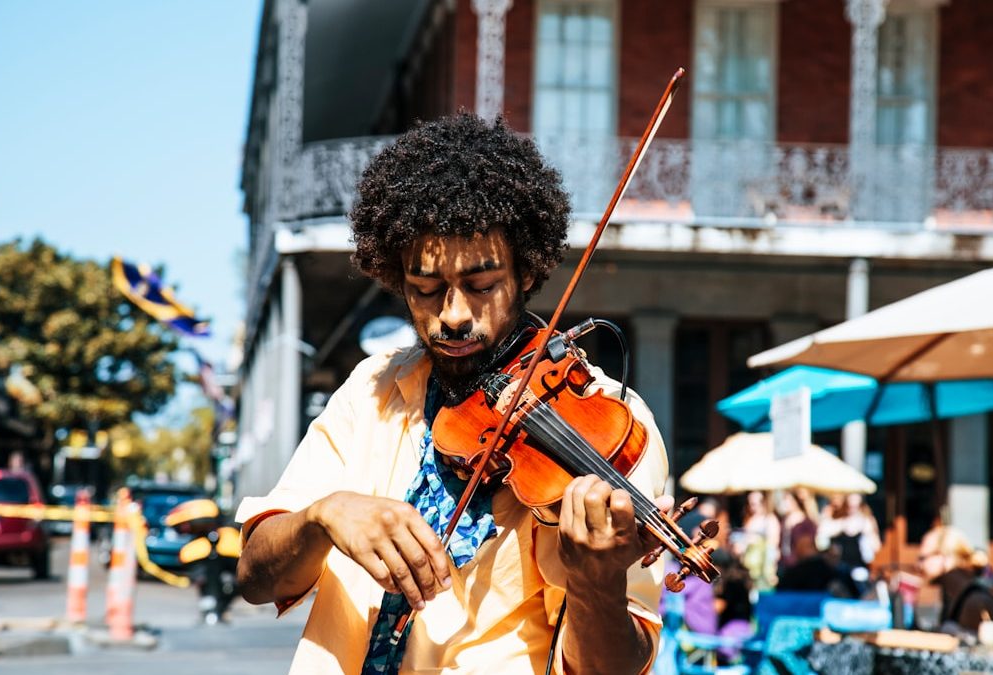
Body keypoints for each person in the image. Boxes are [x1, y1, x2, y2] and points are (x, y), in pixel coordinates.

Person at [236, 113, 675, 674]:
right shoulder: (371, 387)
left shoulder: (611, 420)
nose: (453, 316)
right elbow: (255, 575)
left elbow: (615, 667)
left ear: (526, 272)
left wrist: (598, 586)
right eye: (425, 290)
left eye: (482, 286)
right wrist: (323, 516)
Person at [919, 525, 993, 645]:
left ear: (944, 556)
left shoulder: (974, 600)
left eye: (923, 558)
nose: (919, 566)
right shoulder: (954, 594)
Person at [734, 490, 780, 591]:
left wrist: (771, 572)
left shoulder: (769, 519)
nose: (752, 507)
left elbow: (773, 546)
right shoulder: (749, 519)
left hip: (763, 569)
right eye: (750, 504)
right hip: (748, 568)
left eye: (755, 504)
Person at [778, 489, 817, 573]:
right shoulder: (784, 521)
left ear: (794, 501)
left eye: (786, 500)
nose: (784, 503)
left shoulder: (806, 523)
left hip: (800, 565)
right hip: (783, 564)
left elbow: (807, 546)